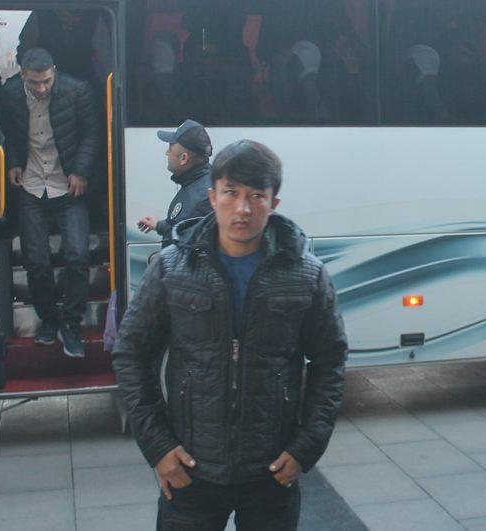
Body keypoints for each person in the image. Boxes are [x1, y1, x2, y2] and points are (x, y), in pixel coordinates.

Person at [113, 140, 347, 530]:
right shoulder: (172, 268)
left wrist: (306, 447)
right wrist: (159, 446)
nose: (242, 208)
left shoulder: (305, 274)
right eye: (231, 193)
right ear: (212, 196)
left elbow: (330, 361)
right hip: (190, 470)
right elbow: (131, 353)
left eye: (256, 196)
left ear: (273, 203)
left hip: (272, 473)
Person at [0, 47, 100, 357]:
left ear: (54, 72)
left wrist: (81, 171)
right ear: (22, 76)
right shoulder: (10, 94)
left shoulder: (77, 90)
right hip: (31, 185)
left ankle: (71, 323)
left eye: (46, 81)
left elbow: (92, 133)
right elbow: (7, 134)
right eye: (34, 82)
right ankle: (49, 320)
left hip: (67, 187)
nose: (41, 88)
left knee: (78, 255)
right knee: (36, 261)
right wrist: (13, 162)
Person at [137, 120, 214, 248]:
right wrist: (158, 225)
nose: (166, 153)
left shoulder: (201, 199)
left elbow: (183, 245)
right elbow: (183, 227)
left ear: (183, 158)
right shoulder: (199, 183)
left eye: (170, 148)